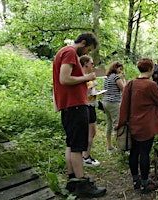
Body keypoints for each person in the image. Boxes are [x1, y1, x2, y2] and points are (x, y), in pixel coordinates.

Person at [52, 32, 106, 197]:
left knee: (71, 144)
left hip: (69, 106)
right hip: (75, 106)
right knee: (78, 147)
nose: (87, 54)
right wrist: (86, 78)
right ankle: (82, 185)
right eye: (88, 50)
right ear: (82, 43)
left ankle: (72, 181)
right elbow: (64, 79)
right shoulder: (69, 52)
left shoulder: (63, 52)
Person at [115, 57, 158, 194]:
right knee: (144, 153)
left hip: (133, 124)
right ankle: (145, 182)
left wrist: (121, 123)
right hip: (147, 125)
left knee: (134, 152)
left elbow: (124, 105)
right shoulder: (151, 85)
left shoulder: (130, 84)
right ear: (151, 69)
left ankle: (136, 180)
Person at [80, 55, 100, 167]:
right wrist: (92, 85)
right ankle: (85, 157)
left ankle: (86, 155)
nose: (93, 65)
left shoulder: (88, 76)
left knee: (92, 133)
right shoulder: (82, 77)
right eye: (91, 63)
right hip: (86, 106)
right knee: (90, 133)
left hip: (91, 105)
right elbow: (82, 91)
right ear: (86, 63)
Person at [103, 61, 125, 151]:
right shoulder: (116, 77)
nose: (120, 71)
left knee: (109, 123)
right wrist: (123, 79)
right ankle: (120, 146)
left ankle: (110, 146)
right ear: (115, 68)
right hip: (114, 103)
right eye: (120, 68)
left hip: (106, 102)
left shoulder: (107, 77)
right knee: (117, 124)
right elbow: (124, 88)